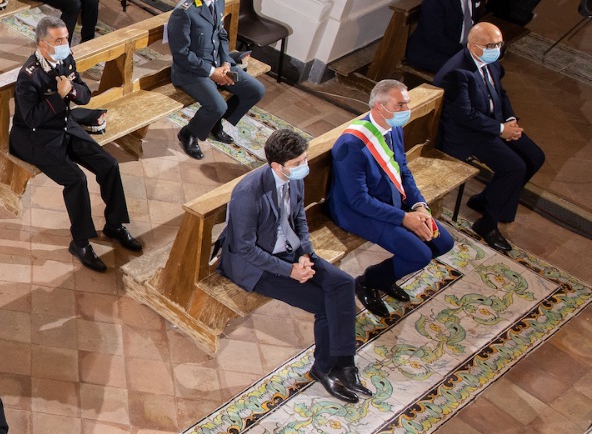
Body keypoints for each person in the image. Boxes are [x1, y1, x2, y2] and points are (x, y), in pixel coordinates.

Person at [218, 128, 368, 404]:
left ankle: (345, 364)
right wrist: (290, 271)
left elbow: (299, 218)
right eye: (298, 163)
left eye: (305, 160)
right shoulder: (248, 193)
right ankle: (323, 369)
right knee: (324, 303)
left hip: (291, 252)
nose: (305, 167)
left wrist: (305, 254)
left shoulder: (293, 179)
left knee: (343, 283)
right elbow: (244, 248)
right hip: (256, 266)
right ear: (277, 166)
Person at [10, 18, 138, 271]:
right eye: (59, 40)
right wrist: (59, 96)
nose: (65, 44)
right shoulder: (29, 76)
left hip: (65, 127)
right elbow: (32, 118)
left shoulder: (66, 58)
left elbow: (85, 94)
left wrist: (70, 92)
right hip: (35, 139)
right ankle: (80, 243)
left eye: (66, 38)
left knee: (109, 165)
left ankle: (114, 225)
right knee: (76, 180)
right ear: (42, 44)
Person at [328, 80, 455, 318]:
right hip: (356, 212)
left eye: (406, 103)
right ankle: (368, 282)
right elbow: (358, 200)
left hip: (391, 200)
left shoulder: (393, 128)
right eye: (400, 105)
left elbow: (403, 171)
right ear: (379, 106)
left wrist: (420, 207)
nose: (406, 109)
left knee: (443, 242)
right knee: (419, 254)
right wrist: (405, 219)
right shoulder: (351, 145)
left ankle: (386, 277)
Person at [434, 23, 545, 253]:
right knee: (514, 167)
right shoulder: (456, 73)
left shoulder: (491, 62)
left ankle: (486, 200)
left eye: (499, 44)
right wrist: (500, 129)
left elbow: (500, 93)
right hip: (468, 133)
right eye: (491, 45)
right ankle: (487, 223)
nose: (497, 49)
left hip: (493, 124)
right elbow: (464, 115)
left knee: (535, 157)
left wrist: (510, 119)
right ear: (473, 46)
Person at [168, 0, 265, 160]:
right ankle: (189, 133)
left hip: (218, 65)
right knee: (217, 105)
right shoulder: (184, 12)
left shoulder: (218, 0)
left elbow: (220, 35)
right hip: (192, 73)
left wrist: (225, 63)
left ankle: (215, 124)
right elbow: (181, 53)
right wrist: (212, 73)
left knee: (254, 90)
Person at [405, 0, 486, 74]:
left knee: (494, 67)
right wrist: (465, 53)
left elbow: (472, 20)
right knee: (474, 72)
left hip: (461, 46)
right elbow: (434, 37)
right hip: (432, 51)